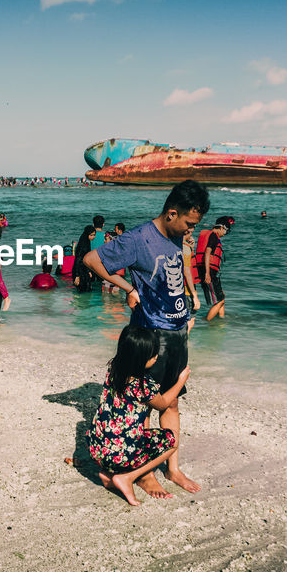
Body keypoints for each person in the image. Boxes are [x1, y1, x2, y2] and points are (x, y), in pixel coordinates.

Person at [83, 179, 209, 497]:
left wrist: (191, 306)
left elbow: (177, 272)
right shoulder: (139, 238)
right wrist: (129, 288)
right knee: (145, 406)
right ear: (171, 213)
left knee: (173, 401)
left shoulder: (178, 237)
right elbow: (92, 260)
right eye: (189, 223)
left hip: (179, 332)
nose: (190, 230)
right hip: (152, 335)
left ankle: (173, 468)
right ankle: (144, 473)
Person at [87, 326, 190, 506]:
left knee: (123, 437)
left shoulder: (113, 368)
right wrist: (181, 380)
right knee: (172, 441)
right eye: (153, 355)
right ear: (141, 359)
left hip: (97, 449)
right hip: (121, 454)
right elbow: (163, 403)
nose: (156, 357)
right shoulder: (143, 385)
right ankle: (128, 477)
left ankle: (110, 475)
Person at [192, 216, 232, 321]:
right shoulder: (213, 237)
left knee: (222, 297)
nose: (225, 234)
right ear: (221, 228)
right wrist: (207, 274)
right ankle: (207, 322)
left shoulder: (211, 235)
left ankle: (221, 321)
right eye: (226, 231)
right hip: (208, 272)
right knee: (219, 301)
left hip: (208, 271)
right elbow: (207, 253)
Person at [71, 225, 97, 291]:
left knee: (86, 290)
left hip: (83, 270)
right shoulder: (83, 244)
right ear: (87, 234)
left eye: (94, 235)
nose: (93, 237)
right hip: (79, 271)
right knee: (82, 290)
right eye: (91, 235)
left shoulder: (86, 241)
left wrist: (88, 271)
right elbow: (78, 259)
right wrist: (77, 276)